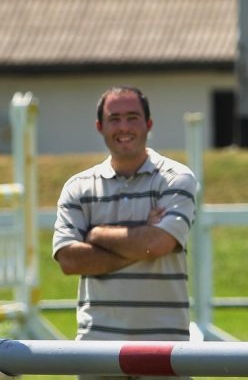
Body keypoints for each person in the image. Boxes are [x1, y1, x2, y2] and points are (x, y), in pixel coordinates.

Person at [53, 85, 196, 379]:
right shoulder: (77, 187)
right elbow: (69, 261)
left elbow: (158, 244)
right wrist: (143, 238)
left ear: (149, 124)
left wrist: (95, 234)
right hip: (96, 349)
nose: (124, 127)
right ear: (100, 127)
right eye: (114, 119)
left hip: (165, 349)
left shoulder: (176, 178)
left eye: (132, 117)